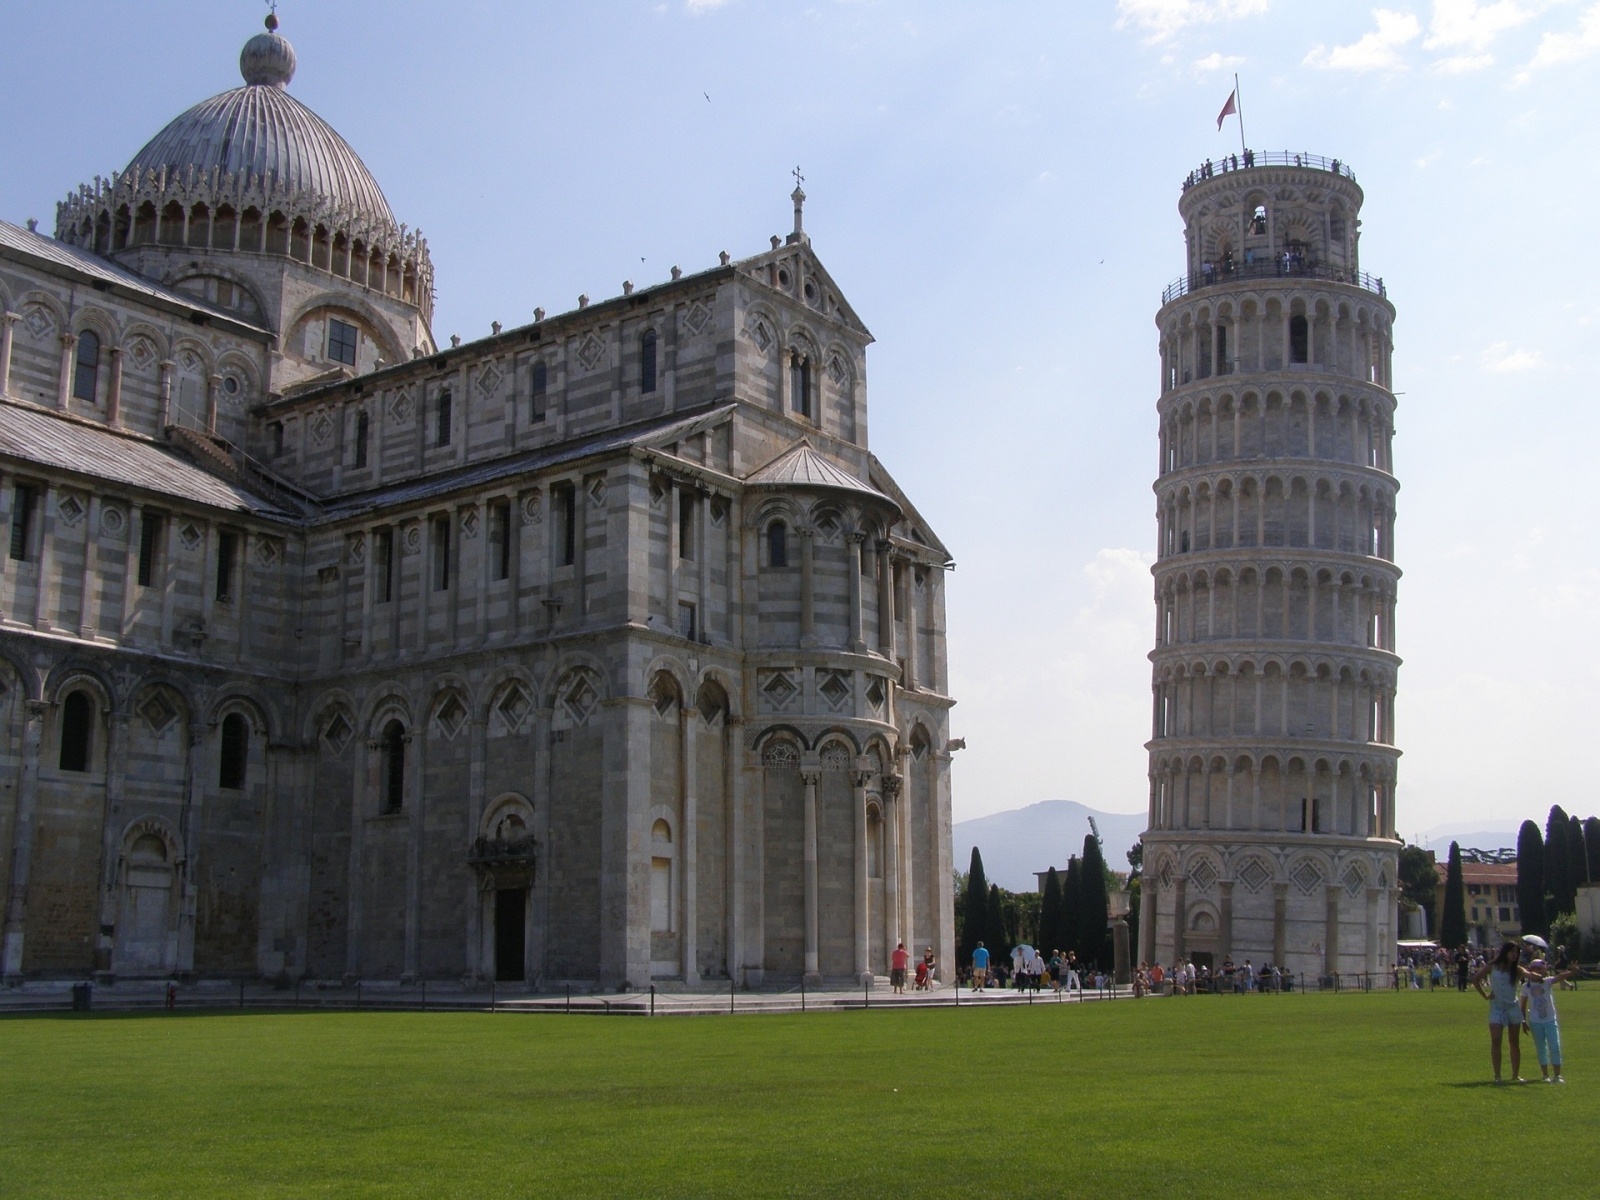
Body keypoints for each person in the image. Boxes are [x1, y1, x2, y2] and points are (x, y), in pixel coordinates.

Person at [1472, 941, 1533, 1083]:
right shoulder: (1493, 966)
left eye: (1516, 953)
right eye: (1511, 951)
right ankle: (1497, 1076)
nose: (1514, 954)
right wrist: (1486, 995)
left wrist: (1537, 974)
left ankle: (1515, 1075)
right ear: (1505, 952)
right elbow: (1476, 979)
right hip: (1496, 1007)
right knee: (1496, 1040)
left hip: (1513, 1007)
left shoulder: (1517, 969)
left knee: (1514, 1042)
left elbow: (1528, 974)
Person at [1521, 959, 1577, 1082]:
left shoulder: (1546, 982)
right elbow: (1523, 1005)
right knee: (1541, 1048)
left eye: (1543, 969)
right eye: (1538, 969)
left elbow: (1559, 976)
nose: (1541, 972)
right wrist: (1523, 1021)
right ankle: (1545, 1075)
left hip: (1550, 1020)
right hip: (1535, 1022)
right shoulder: (1526, 986)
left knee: (1555, 1046)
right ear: (1532, 970)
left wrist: (1572, 972)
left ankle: (1557, 1075)